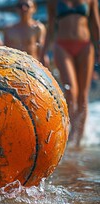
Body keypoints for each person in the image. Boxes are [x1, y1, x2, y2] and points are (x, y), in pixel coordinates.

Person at [41, 0, 100, 148]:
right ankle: (72, 132)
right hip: (62, 46)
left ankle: (78, 139)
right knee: (70, 90)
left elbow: (95, 25)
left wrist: (99, 48)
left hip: (85, 46)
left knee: (82, 95)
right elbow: (50, 27)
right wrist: (43, 53)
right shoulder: (53, 2)